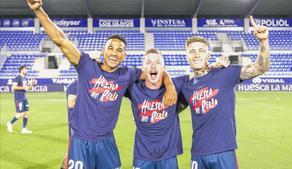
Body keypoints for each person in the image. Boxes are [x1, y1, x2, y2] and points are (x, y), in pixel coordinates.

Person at [27, 1, 177, 168]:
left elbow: (154, 71)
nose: (114, 53)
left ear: (124, 55)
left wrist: (169, 85)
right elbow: (60, 40)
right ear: (103, 51)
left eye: (119, 50)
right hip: (81, 140)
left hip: (107, 142)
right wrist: (39, 10)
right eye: (110, 48)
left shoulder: (127, 74)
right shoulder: (86, 65)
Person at [180, 16, 270, 169]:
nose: (196, 54)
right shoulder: (186, 86)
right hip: (198, 153)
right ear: (187, 56)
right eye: (192, 51)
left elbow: (260, 67)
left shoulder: (225, 72)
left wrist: (263, 41)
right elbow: (171, 109)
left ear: (209, 54)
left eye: (201, 51)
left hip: (224, 151)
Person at [125, 49, 187, 169]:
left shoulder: (177, 85)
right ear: (142, 68)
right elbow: (108, 78)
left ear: (164, 67)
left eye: (158, 62)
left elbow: (203, 77)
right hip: (142, 155)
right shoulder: (133, 88)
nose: (153, 66)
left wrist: (215, 66)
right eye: (148, 62)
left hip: (168, 156)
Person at [7, 65, 37, 134]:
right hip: (18, 98)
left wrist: (32, 84)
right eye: (25, 69)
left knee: (26, 112)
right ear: (22, 70)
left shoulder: (25, 78)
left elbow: (27, 88)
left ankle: (24, 129)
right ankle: (10, 123)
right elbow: (14, 87)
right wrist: (23, 88)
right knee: (21, 113)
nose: (27, 71)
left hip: (24, 97)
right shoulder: (18, 78)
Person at [61, 80, 78, 169]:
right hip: (77, 127)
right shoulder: (74, 84)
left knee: (71, 153)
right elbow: (71, 103)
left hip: (88, 126)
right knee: (72, 153)